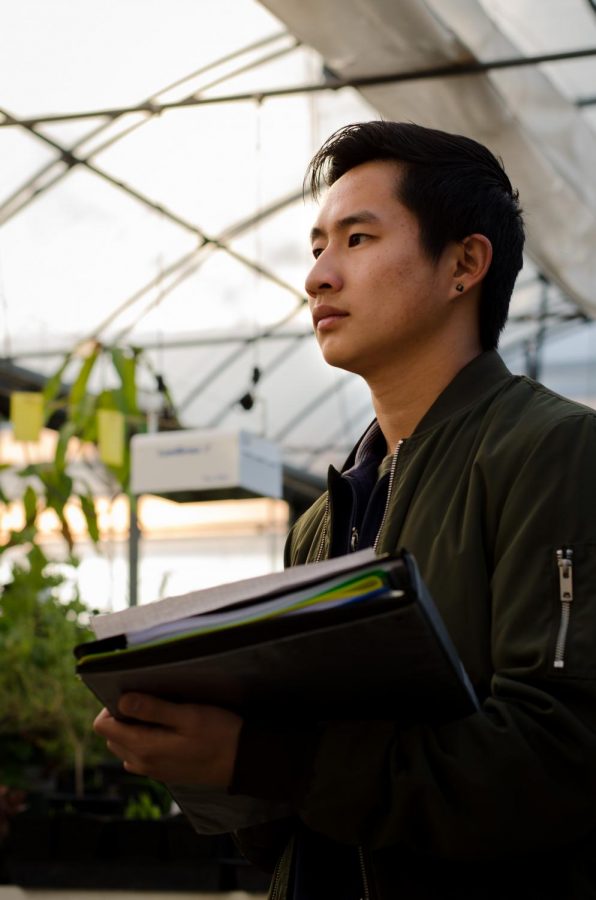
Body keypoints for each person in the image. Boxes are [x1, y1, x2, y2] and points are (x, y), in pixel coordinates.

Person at [94, 122, 596, 899]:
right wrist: (204, 761)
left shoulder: (555, 452)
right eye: (317, 246)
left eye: (357, 239)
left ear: (465, 263)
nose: (319, 277)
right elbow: (301, 806)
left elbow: (557, 761)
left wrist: (262, 757)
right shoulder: (323, 521)